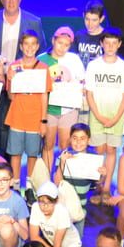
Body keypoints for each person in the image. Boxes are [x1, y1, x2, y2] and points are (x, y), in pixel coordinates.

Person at [85, 27, 124, 202]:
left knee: (111, 151)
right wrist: (98, 115)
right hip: (97, 116)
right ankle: (98, 186)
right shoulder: (93, 65)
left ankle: (106, 189)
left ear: (119, 44)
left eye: (114, 43)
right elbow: (89, 93)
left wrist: (115, 117)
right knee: (98, 151)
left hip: (116, 117)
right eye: (107, 43)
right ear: (102, 44)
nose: (110, 46)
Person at [5, 30, 51, 191]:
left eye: (33, 44)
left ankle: (30, 187)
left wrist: (44, 121)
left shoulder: (43, 68)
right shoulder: (14, 67)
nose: (29, 47)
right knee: (15, 154)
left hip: (35, 119)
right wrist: (9, 79)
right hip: (17, 117)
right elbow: (11, 96)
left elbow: (45, 96)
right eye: (26, 44)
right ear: (21, 46)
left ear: (37, 46)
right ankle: (16, 186)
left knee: (33, 155)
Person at [39, 26, 86, 173]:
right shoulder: (41, 59)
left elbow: (82, 82)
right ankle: (46, 181)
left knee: (65, 145)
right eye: (60, 43)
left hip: (68, 109)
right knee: (48, 144)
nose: (62, 47)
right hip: (49, 110)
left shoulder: (74, 59)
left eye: (66, 45)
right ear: (53, 40)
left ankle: (61, 178)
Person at [28, 181, 82, 247]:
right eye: (41, 201)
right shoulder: (35, 207)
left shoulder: (62, 212)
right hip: (50, 243)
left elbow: (58, 243)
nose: (44, 206)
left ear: (56, 201)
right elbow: (34, 236)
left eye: (49, 202)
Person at [73, 0, 107, 76]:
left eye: (94, 20)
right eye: (87, 19)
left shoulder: (107, 37)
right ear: (83, 16)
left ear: (101, 19)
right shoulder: (79, 35)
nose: (90, 24)